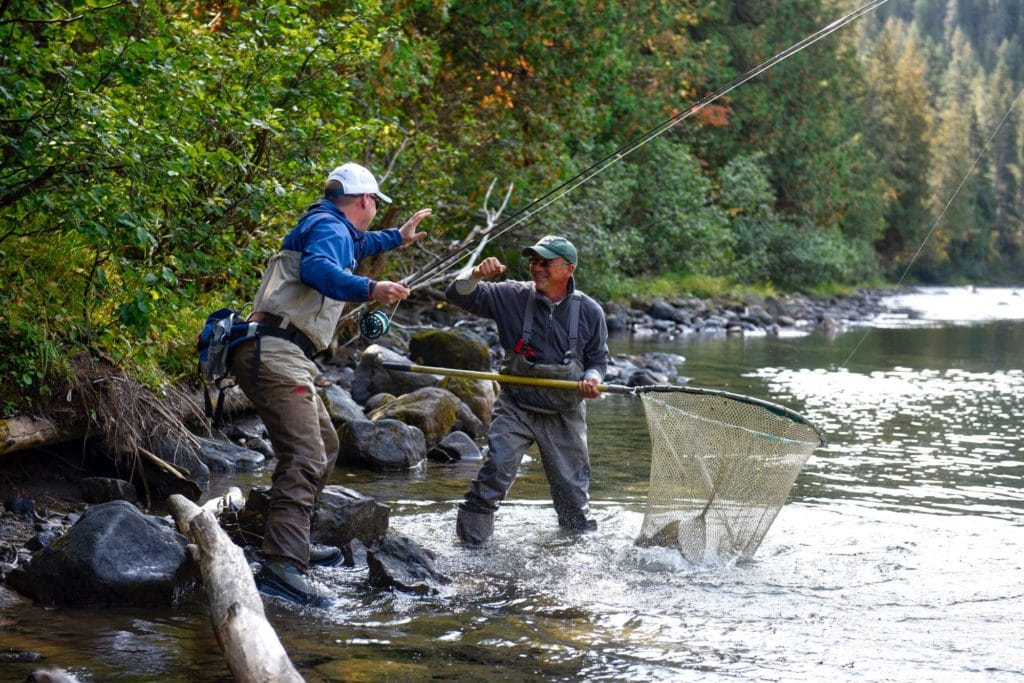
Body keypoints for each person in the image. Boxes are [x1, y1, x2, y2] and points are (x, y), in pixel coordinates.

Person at [231, 162, 430, 604]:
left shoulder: (332, 225)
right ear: (364, 200)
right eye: (377, 203)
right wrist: (371, 287)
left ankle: (291, 539)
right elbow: (321, 269)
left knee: (326, 443)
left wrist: (398, 237)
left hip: (280, 351)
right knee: (305, 453)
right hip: (275, 352)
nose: (377, 210)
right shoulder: (329, 229)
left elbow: (359, 243)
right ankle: (281, 565)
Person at [445, 235, 609, 544]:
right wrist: (476, 274)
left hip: (564, 412)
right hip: (515, 405)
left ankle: (575, 553)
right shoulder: (510, 295)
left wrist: (593, 379)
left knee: (573, 494)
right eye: (534, 261)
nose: (537, 268)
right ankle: (471, 547)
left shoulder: (590, 311)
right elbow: (456, 294)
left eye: (546, 262)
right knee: (495, 471)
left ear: (569, 269)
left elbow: (598, 360)